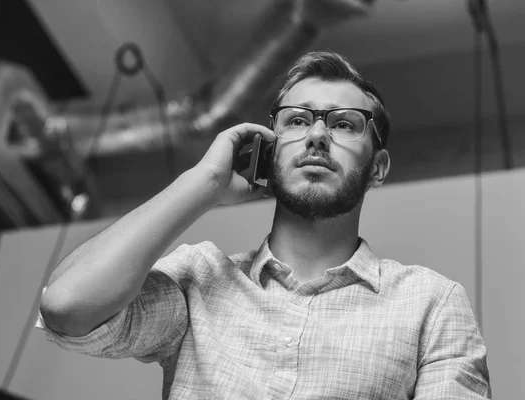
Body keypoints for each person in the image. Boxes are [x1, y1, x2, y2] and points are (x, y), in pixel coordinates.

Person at [37, 51, 491, 399]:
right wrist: (203, 183)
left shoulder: (430, 303)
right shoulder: (200, 279)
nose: (316, 135)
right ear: (270, 150)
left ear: (378, 168)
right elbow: (66, 306)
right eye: (296, 120)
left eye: (345, 124)